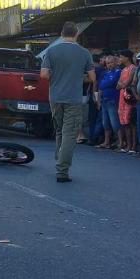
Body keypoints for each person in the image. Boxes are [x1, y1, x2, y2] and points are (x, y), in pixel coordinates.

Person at [40, 22, 95, 183]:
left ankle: (59, 156)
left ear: (62, 33)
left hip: (55, 97)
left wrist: (57, 77)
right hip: (73, 98)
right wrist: (78, 77)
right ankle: (62, 171)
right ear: (76, 34)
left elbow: (43, 75)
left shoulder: (51, 51)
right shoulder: (84, 52)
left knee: (59, 130)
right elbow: (92, 77)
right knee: (70, 134)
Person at [96, 55, 121, 150]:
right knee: (105, 123)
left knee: (115, 123)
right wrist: (98, 101)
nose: (109, 65)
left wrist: (106, 83)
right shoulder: (105, 74)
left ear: (115, 62)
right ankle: (106, 142)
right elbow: (101, 87)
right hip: (104, 100)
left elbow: (111, 83)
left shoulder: (118, 72)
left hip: (113, 100)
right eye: (107, 63)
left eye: (111, 62)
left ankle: (120, 141)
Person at [117, 49, 137, 154]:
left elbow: (125, 84)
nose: (120, 59)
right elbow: (118, 85)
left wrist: (122, 84)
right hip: (122, 97)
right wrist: (122, 84)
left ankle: (133, 145)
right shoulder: (123, 69)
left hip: (130, 97)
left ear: (127, 58)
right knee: (124, 123)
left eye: (121, 57)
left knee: (130, 122)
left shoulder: (133, 68)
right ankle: (128, 145)